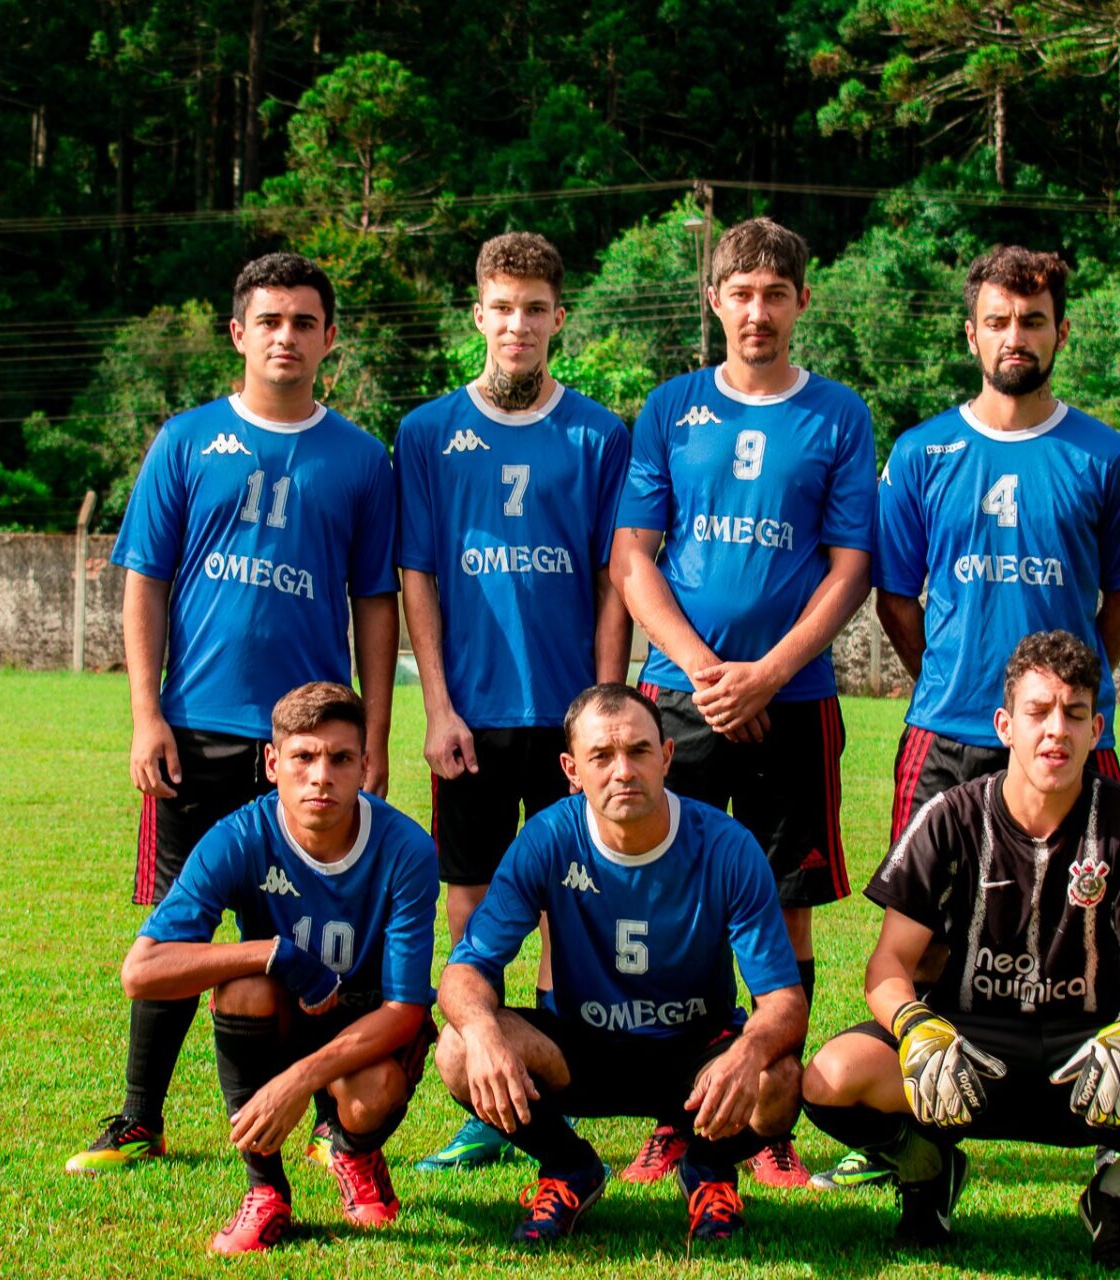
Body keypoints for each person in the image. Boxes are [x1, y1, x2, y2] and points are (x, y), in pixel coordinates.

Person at [816, 245, 1120, 1192]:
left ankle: (1112, 1125)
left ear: (1059, 331)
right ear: (972, 333)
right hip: (947, 729)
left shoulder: (1106, 456)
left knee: (1089, 930)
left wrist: (1061, 708)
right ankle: (911, 1129)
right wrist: (970, 692)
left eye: (1034, 320)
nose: (1017, 337)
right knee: (921, 934)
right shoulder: (923, 451)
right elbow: (896, 598)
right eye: (1000, 321)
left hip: (1069, 741)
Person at [65, 252, 400, 1176]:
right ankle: (140, 1116)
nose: (286, 337)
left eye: (304, 322)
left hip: (306, 752)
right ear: (238, 334)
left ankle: (341, 1120)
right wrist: (145, 714)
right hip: (196, 730)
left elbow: (376, 602)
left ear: (330, 339)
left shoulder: (363, 459)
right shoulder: (186, 441)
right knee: (180, 930)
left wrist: (371, 740)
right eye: (270, 321)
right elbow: (145, 582)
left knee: (325, 933)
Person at [800, 632, 1120, 1271]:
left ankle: (1115, 1196)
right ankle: (928, 1171)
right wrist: (916, 1027)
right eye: (1038, 712)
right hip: (963, 1054)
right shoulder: (949, 817)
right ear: (1005, 726)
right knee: (828, 1080)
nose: (1055, 732)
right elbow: (888, 965)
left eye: (1072, 714)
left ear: (1097, 728)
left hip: (1087, 1056)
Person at [609, 217, 877, 1187]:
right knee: (664, 906)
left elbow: (851, 566)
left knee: (785, 910)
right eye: (740, 291)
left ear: (802, 301)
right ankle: (671, 1119)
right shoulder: (672, 407)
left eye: (775, 292)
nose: (756, 310)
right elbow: (634, 556)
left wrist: (766, 672)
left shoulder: (839, 414)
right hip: (674, 701)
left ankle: (770, 1125)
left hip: (793, 701)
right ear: (713, 300)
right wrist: (706, 669)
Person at [394, 232, 633, 1171]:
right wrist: (437, 708)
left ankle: (548, 1088)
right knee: (473, 910)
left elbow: (615, 581)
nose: (518, 324)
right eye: (501, 307)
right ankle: (481, 1093)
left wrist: (604, 715)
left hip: (569, 719)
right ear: (477, 315)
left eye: (535, 308)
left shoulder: (599, 434)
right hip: (474, 718)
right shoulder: (426, 433)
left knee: (571, 909)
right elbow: (417, 574)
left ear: (559, 319)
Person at [435, 684, 807, 1246]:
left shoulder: (727, 846)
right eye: (601, 757)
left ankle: (708, 1172)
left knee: (779, 1079)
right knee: (459, 1049)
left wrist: (750, 1050)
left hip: (695, 1054)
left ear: (668, 756)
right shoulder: (549, 839)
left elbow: (785, 1002)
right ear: (572, 769)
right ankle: (567, 1166)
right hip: (581, 1049)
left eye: (638, 751)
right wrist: (484, 1028)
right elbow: (465, 971)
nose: (623, 771)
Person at [119, 683, 438, 1253]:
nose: (322, 776)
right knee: (241, 985)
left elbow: (405, 1010)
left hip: (362, 1030)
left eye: (341, 759)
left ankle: (355, 1152)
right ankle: (266, 1190)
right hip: (283, 1017)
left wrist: (296, 1083)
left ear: (365, 766)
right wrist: (272, 952)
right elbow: (141, 971)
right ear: (272, 763)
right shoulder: (239, 837)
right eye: (304, 757)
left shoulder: (406, 849)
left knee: (376, 1089)